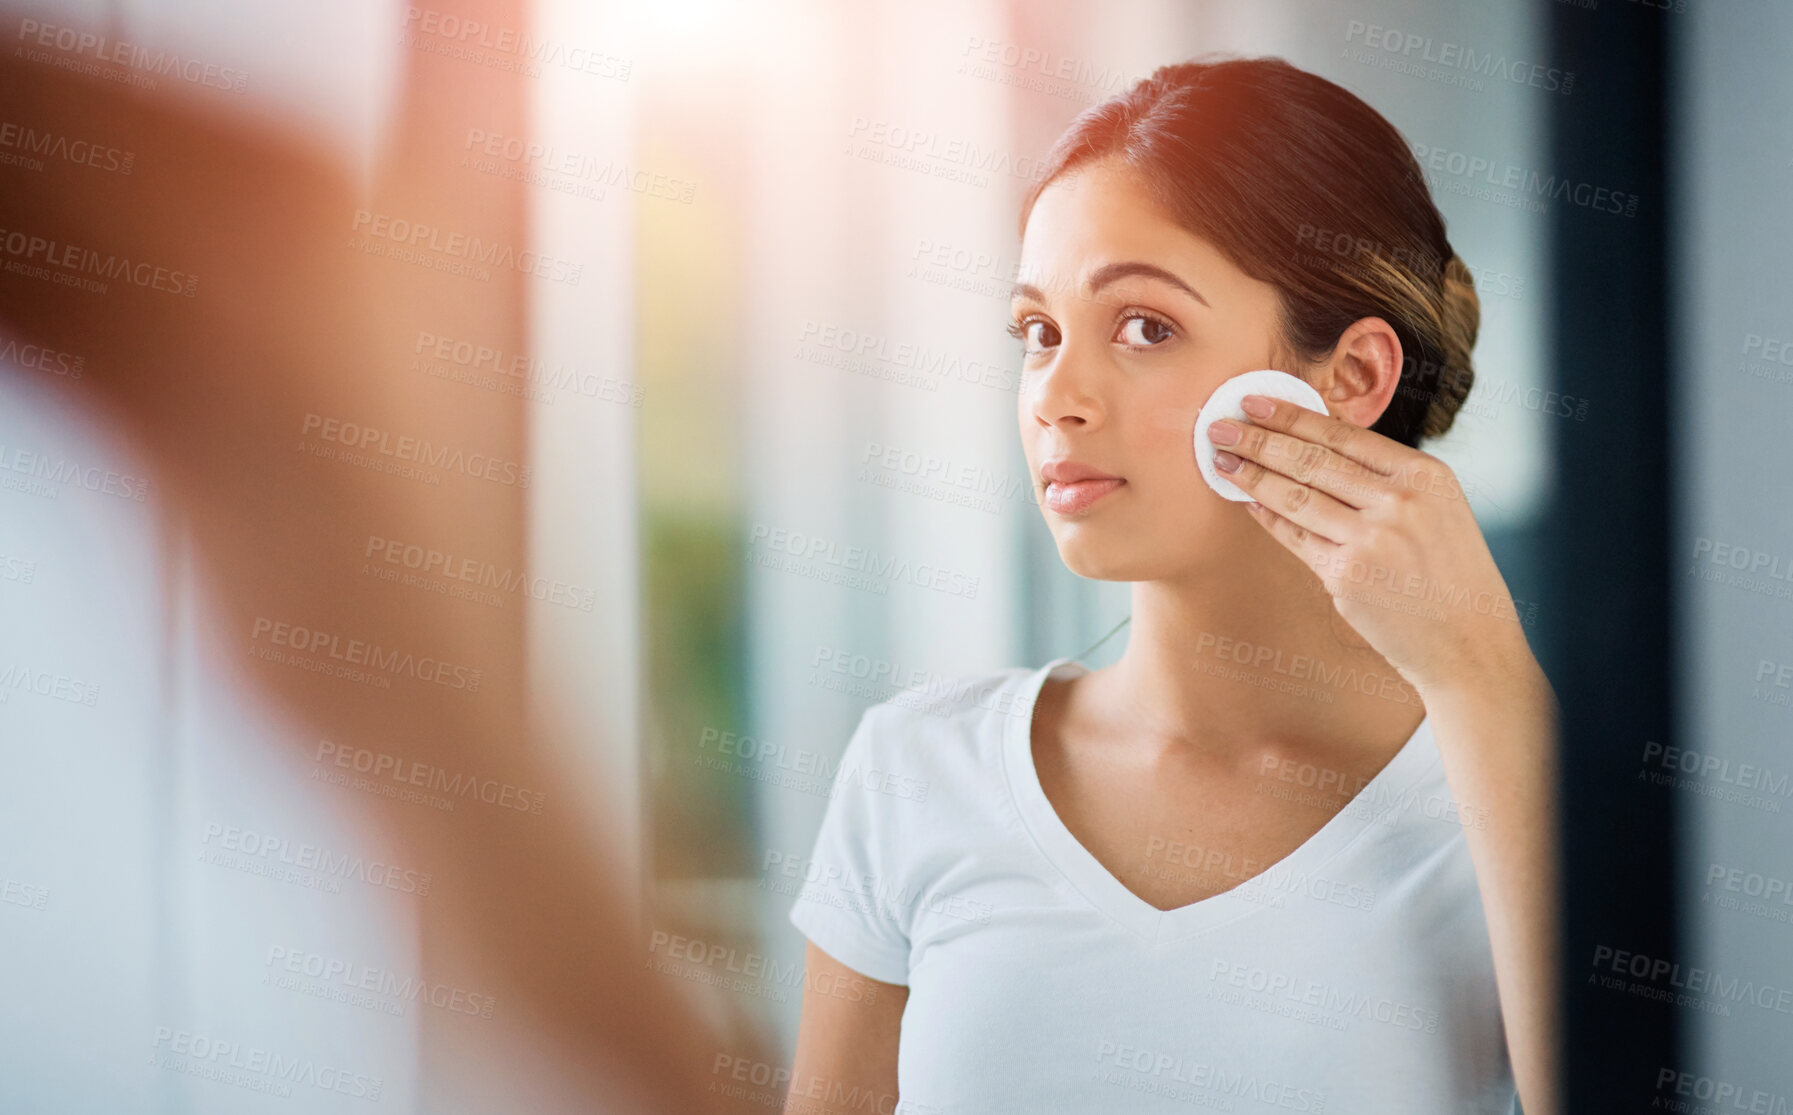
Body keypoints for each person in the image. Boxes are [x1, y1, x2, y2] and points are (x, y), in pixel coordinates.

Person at [787, 56, 1558, 1115]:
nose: (1055, 395)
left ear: (1353, 378)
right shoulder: (916, 765)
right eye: (1036, 333)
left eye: (1144, 326)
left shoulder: (1503, 791)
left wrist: (1485, 682)